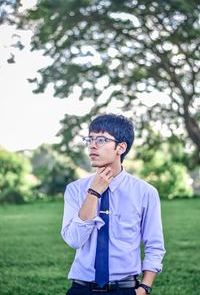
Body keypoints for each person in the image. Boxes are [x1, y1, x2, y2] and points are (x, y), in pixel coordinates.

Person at [61, 113, 166, 295]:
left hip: (125, 289)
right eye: (90, 139)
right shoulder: (75, 190)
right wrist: (93, 193)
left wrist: (144, 288)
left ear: (121, 147)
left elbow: (154, 245)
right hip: (81, 289)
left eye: (101, 140)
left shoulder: (145, 192)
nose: (92, 145)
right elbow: (74, 240)